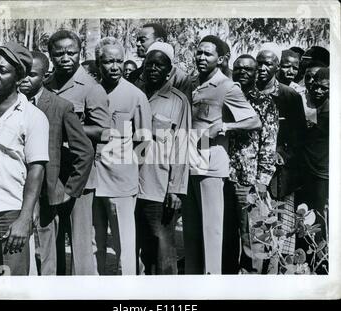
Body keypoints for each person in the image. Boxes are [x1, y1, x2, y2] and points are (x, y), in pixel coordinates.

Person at [183, 35, 261, 275]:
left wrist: (225, 127)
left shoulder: (227, 87)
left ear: (221, 59)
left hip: (212, 166)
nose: (202, 57)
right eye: (199, 52)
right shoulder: (191, 83)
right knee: (192, 233)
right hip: (188, 164)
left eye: (208, 54)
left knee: (212, 231)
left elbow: (254, 120)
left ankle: (213, 283)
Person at [19, 51, 94, 275]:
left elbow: (85, 150)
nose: (25, 79)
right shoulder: (11, 103)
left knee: (47, 252)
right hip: (15, 188)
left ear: (45, 76)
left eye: (32, 75)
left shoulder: (60, 106)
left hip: (45, 192)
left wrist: (70, 190)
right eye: (21, 74)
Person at [0, 41, 49, 276]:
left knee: (10, 284)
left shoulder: (33, 117)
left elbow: (36, 170)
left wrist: (24, 218)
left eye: (2, 70)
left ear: (19, 78)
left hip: (9, 213)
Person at [44, 30, 111, 275]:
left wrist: (69, 129)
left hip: (78, 174)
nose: (65, 58)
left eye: (71, 53)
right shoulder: (46, 84)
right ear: (50, 55)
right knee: (52, 240)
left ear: (79, 53)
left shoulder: (91, 88)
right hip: (51, 173)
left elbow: (104, 131)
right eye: (59, 53)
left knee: (81, 244)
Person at [93, 37, 152, 275]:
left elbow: (144, 140)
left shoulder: (135, 95)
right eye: (108, 61)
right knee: (93, 243)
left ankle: (128, 291)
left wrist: (129, 169)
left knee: (125, 246)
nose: (115, 67)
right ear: (99, 63)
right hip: (91, 180)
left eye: (119, 61)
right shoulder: (92, 92)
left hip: (121, 183)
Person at [135, 42, 191, 275]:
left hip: (160, 186)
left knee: (162, 245)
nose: (153, 69)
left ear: (169, 71)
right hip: (130, 185)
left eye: (160, 65)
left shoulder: (178, 101)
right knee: (136, 246)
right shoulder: (133, 95)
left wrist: (176, 189)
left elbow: (184, 145)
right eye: (149, 64)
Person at [224, 54, 278, 274]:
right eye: (238, 68)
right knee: (226, 237)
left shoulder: (265, 104)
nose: (242, 72)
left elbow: (269, 142)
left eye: (248, 69)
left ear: (256, 73)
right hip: (224, 178)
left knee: (251, 238)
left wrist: (263, 180)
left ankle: (251, 282)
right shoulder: (227, 99)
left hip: (249, 181)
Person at [256, 46, 307, 257]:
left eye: (268, 63)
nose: (262, 68)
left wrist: (281, 154)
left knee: (281, 228)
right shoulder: (248, 91)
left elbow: (300, 136)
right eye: (259, 63)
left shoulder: (290, 96)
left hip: (281, 175)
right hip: (253, 170)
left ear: (277, 66)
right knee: (257, 225)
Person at [298, 68, 329, 241]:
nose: (318, 91)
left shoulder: (331, 109)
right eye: (316, 86)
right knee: (305, 215)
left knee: (319, 217)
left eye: (324, 88)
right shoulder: (309, 104)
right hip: (306, 171)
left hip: (322, 173)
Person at [129, 23, 192, 103]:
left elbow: (183, 110)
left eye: (142, 40)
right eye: (137, 40)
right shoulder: (134, 76)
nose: (137, 44)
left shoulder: (180, 79)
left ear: (160, 41)